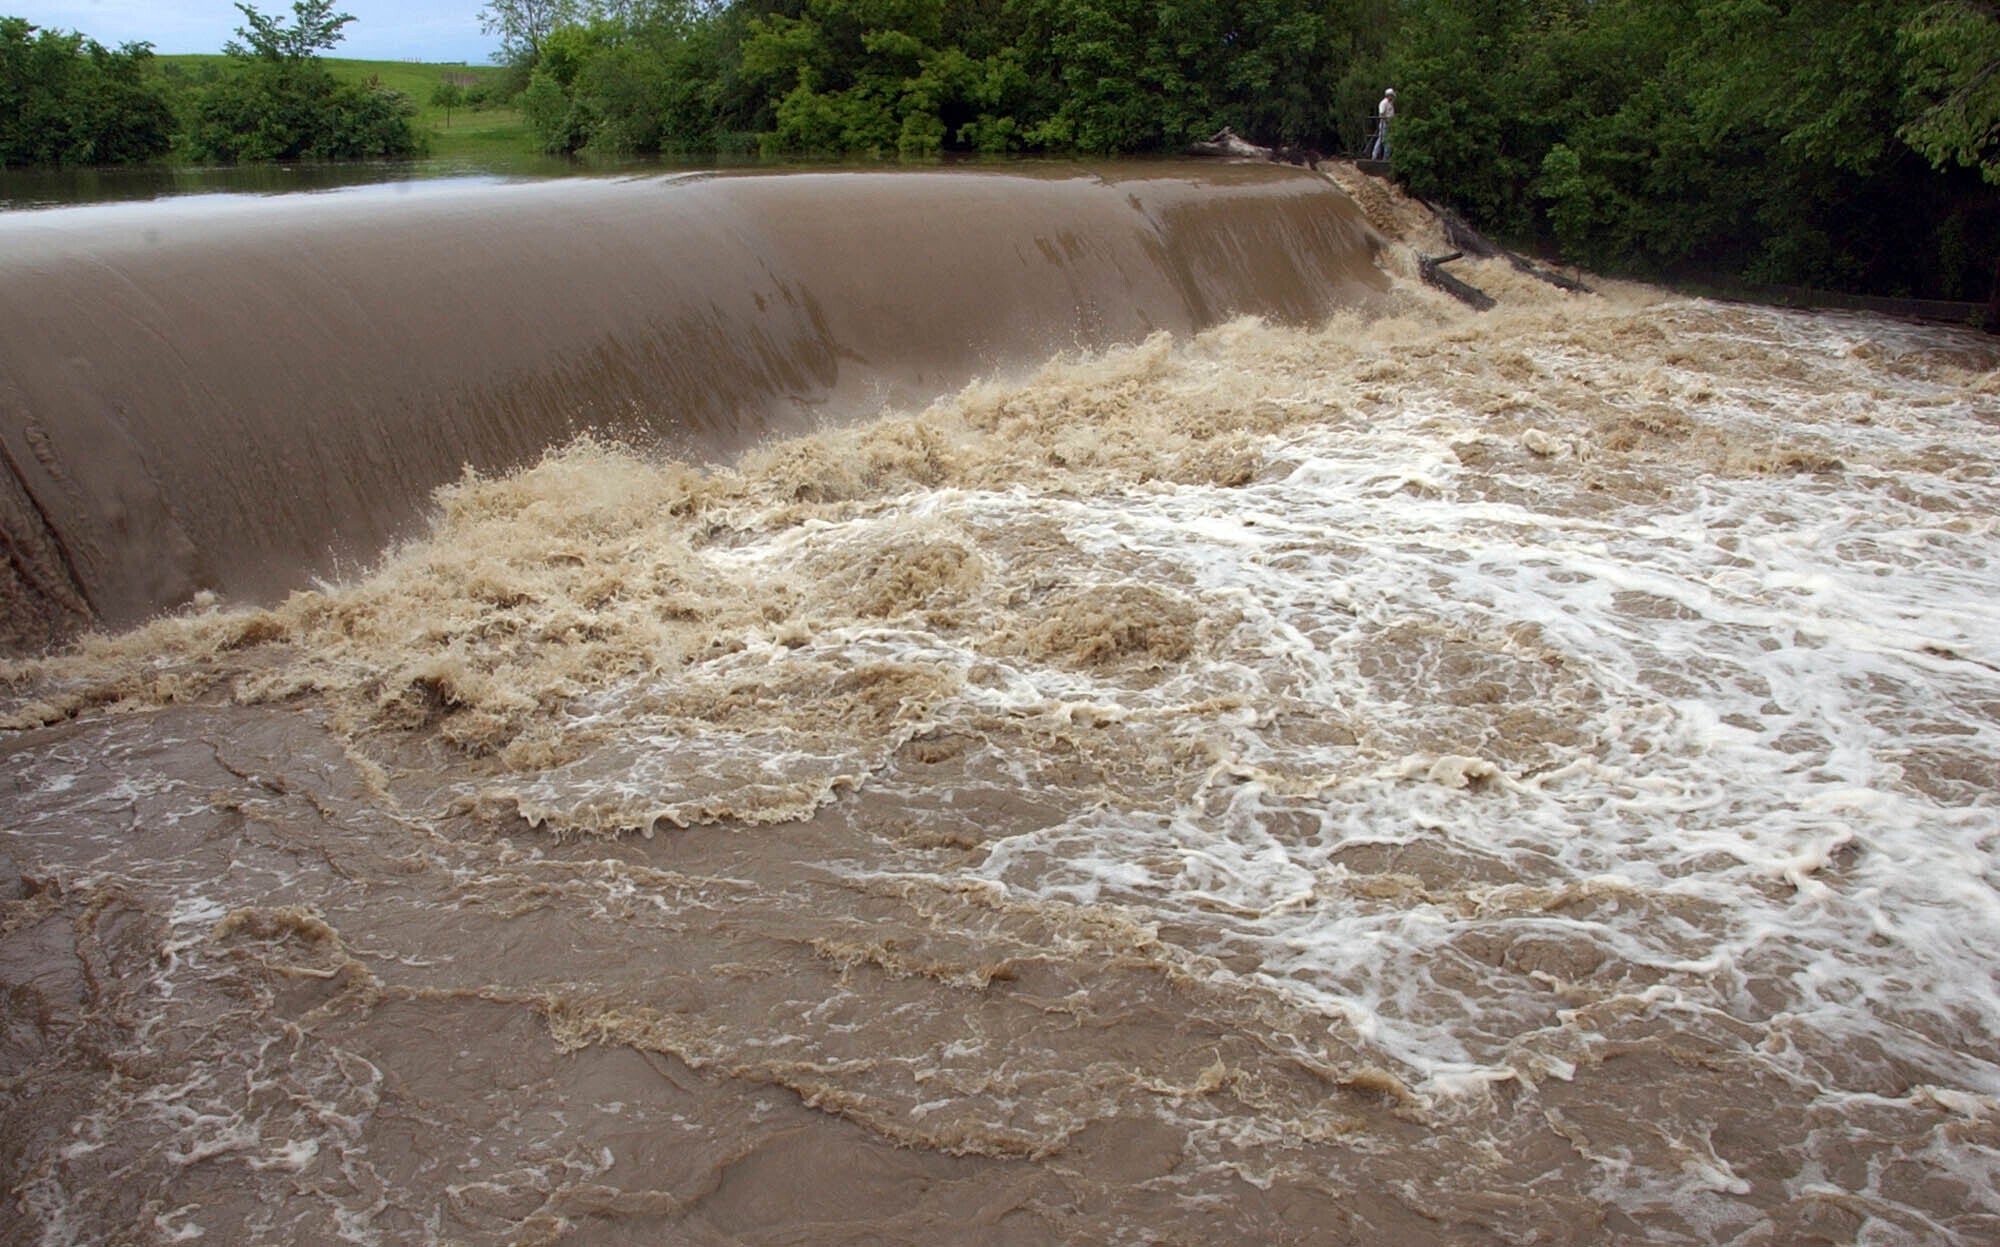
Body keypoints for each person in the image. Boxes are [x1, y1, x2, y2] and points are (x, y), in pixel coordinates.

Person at [1371, 88, 1396, 160]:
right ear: (1388, 95)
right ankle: (1374, 156)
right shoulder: (1383, 103)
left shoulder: (1390, 103)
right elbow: (1381, 114)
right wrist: (1387, 121)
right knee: (1381, 139)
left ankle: (1386, 157)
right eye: (1391, 95)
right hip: (1384, 124)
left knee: (1388, 141)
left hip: (1390, 124)